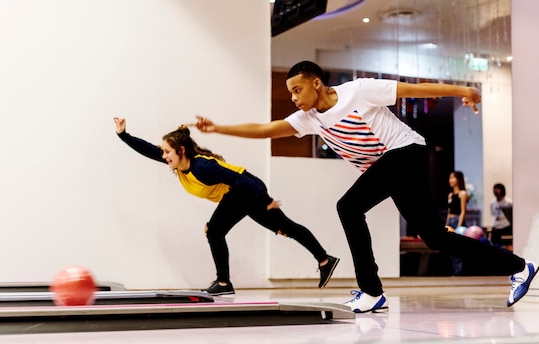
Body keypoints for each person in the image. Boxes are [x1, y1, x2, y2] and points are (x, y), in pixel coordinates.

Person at [193, 60, 537, 312]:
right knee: (434, 237)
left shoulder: (358, 90)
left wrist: (465, 90)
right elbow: (266, 129)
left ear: (316, 83)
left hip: (407, 151)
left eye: (298, 90)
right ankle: (520, 267)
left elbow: (413, 90)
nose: (294, 99)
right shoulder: (309, 119)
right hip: (394, 165)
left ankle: (371, 290)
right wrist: (218, 128)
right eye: (291, 93)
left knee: (348, 206)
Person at [112, 117, 339, 296]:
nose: (163, 155)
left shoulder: (203, 168)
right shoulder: (179, 164)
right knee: (283, 227)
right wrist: (123, 135)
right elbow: (148, 150)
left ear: (181, 151)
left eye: (167, 152)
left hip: (246, 191)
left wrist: (265, 199)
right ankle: (325, 260)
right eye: (163, 152)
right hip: (242, 195)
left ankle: (224, 282)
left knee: (215, 230)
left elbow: (243, 179)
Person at [445, 171, 469, 275]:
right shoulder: (450, 195)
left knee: (459, 248)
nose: (450, 180)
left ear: (458, 180)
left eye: (452, 178)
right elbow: (449, 212)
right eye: (450, 178)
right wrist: (446, 224)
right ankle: (453, 271)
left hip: (458, 220)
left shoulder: (462, 194)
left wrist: (459, 225)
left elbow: (463, 210)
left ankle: (458, 272)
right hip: (450, 221)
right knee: (450, 248)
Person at [490, 183, 513, 249]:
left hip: (506, 225)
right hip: (496, 225)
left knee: (506, 245)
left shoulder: (509, 202)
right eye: (494, 189)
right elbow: (493, 213)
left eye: (498, 189)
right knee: (494, 245)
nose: (495, 191)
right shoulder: (492, 202)